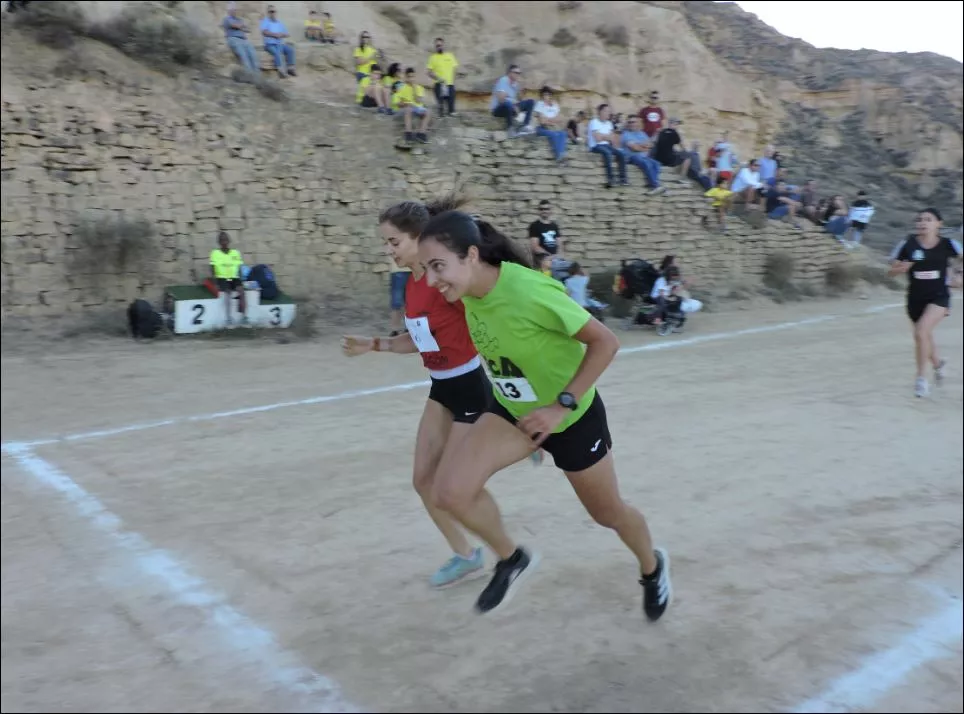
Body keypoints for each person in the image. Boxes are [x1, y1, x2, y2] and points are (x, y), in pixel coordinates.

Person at [416, 209, 673, 619]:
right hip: (514, 413)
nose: (431, 279)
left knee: (608, 514)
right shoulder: (467, 293)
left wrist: (560, 407)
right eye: (426, 268)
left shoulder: (530, 292)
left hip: (571, 418)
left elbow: (605, 343)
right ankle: (511, 558)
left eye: (437, 267)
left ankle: (652, 566)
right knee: (449, 491)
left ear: (470, 255)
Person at [341, 196, 540, 589]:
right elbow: (417, 340)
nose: (389, 250)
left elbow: (497, 321)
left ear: (420, 239)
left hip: (470, 389)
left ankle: (509, 553)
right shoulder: (415, 285)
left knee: (455, 489)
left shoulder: (450, 282)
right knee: (423, 481)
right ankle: (467, 557)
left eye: (394, 242)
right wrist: (374, 344)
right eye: (386, 243)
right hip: (442, 388)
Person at [888, 208, 963, 398]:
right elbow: (890, 270)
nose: (922, 223)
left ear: (939, 224)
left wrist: (958, 276)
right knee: (923, 337)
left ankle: (921, 379)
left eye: (928, 219)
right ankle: (938, 364)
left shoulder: (949, 244)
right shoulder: (908, 244)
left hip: (939, 296)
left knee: (922, 331)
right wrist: (900, 268)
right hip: (915, 298)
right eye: (919, 219)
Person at [210, 232, 246, 325]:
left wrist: (241, 280)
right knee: (228, 292)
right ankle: (229, 318)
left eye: (225, 239)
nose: (224, 242)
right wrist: (215, 283)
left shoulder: (235, 253)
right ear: (219, 242)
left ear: (229, 241)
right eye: (222, 240)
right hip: (222, 278)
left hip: (234, 278)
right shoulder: (215, 253)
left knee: (241, 291)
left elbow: (239, 267)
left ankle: (244, 317)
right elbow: (212, 268)